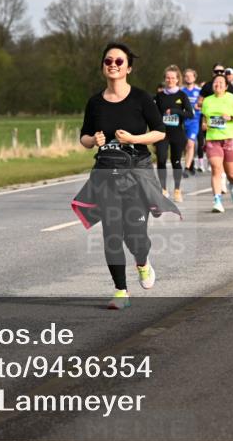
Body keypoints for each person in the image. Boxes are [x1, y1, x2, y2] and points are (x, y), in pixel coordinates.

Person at [73, 43, 173, 310]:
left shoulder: (141, 98)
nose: (113, 65)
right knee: (112, 234)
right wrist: (93, 140)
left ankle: (142, 261)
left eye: (119, 61)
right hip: (106, 174)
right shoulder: (95, 102)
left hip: (136, 173)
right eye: (108, 61)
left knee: (135, 236)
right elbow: (84, 138)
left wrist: (134, 139)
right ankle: (120, 291)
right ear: (103, 66)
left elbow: (160, 132)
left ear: (128, 68)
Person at [201, 74, 233, 212]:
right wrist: (204, 125)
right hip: (212, 139)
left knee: (231, 174)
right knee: (216, 168)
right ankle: (217, 201)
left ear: (226, 86)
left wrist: (230, 117)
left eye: (221, 82)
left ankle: (232, 185)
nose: (218, 84)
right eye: (215, 82)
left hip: (230, 139)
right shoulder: (207, 101)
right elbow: (204, 119)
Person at [153, 65, 194, 202]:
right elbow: (153, 115)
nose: (170, 80)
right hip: (162, 133)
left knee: (176, 162)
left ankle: (177, 190)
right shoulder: (159, 96)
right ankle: (163, 189)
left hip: (177, 133)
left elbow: (190, 114)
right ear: (164, 79)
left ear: (177, 80)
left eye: (173, 78)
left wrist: (176, 111)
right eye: (167, 78)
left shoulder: (182, 95)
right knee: (161, 159)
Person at [181, 68, 202, 175]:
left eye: (191, 76)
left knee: (190, 143)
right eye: (186, 76)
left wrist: (200, 107)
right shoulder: (181, 91)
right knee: (186, 145)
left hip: (194, 121)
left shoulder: (199, 91)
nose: (188, 78)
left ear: (194, 77)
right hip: (182, 121)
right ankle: (191, 163)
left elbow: (205, 105)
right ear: (184, 78)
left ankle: (187, 168)